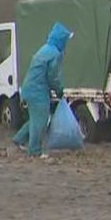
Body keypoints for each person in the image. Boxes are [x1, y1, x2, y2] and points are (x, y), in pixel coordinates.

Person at [13, 22, 72, 159]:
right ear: (61, 40)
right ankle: (34, 151)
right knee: (41, 120)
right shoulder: (55, 54)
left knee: (35, 118)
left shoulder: (45, 49)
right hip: (38, 91)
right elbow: (53, 76)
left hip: (29, 89)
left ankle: (19, 139)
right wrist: (59, 91)